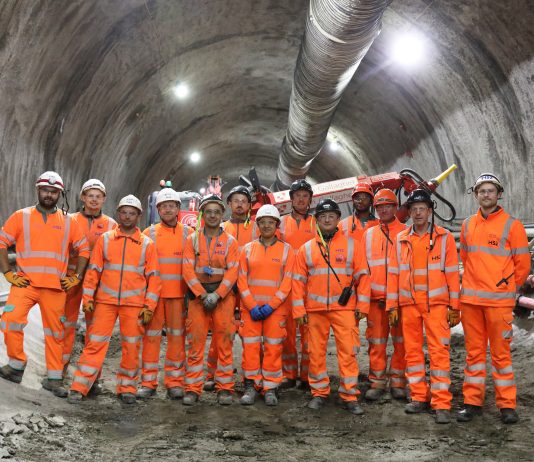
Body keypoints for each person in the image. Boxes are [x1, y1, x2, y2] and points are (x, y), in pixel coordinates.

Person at [0, 171, 89, 397]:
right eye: (45, 190)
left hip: (55, 288)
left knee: (55, 334)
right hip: (25, 284)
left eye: (53, 192)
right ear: (38, 190)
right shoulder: (21, 216)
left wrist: (76, 277)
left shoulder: (68, 222)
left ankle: (54, 379)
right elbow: (2, 242)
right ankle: (16, 365)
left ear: (60, 194)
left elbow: (84, 249)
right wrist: (8, 272)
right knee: (10, 321)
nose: (49, 195)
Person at [68, 195, 161, 404]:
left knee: (131, 347)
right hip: (105, 302)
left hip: (134, 305)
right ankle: (79, 387)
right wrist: (88, 297)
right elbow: (93, 271)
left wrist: (149, 306)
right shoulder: (106, 239)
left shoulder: (147, 244)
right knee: (94, 344)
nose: (127, 216)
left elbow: (154, 278)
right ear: (118, 214)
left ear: (138, 216)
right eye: (124, 212)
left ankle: (127, 388)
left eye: (132, 213)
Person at [457, 173, 530, 424]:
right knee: (474, 355)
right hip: (471, 303)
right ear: (475, 195)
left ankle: (507, 405)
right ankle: (472, 403)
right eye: (481, 191)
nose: (486, 195)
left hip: (499, 303)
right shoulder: (468, 225)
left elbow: (522, 265)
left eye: (490, 191)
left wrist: (506, 288)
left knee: (501, 356)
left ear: (499, 194)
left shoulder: (512, 226)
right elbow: (466, 258)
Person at [386, 189, 460, 424]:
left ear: (429, 212)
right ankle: (419, 396)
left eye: (422, 209)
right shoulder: (401, 239)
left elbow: (452, 274)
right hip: (409, 305)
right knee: (413, 353)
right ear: (409, 213)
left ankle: (441, 403)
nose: (418, 213)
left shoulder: (444, 238)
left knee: (439, 353)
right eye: (414, 209)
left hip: (436, 305)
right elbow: (393, 274)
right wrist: (392, 306)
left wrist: (454, 306)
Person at [292, 198, 370, 415]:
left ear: (338, 219)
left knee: (348, 352)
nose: (327, 220)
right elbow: (297, 282)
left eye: (331, 216)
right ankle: (319, 392)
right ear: (316, 220)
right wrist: (299, 310)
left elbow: (363, 276)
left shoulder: (353, 245)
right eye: (323, 216)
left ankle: (349, 395)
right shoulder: (306, 249)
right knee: (315, 353)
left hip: (344, 309)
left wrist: (363, 306)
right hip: (315, 310)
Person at [182, 194, 239, 405]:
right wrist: (201, 293)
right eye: (209, 212)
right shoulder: (192, 240)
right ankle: (192, 389)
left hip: (223, 298)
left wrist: (217, 294)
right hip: (198, 298)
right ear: (202, 214)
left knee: (224, 342)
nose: (213, 216)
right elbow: (187, 270)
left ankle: (224, 388)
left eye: (216, 212)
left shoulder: (230, 242)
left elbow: (233, 271)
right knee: (195, 343)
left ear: (222, 214)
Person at [136, 188, 193, 400]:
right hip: (154, 297)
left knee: (177, 339)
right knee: (151, 339)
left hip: (179, 296)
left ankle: (175, 382)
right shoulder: (148, 234)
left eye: (172, 206)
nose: (168, 210)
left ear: (178, 208)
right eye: (164, 206)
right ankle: (148, 383)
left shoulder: (189, 233)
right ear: (158, 210)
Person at [237, 204, 294, 406]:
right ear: (258, 225)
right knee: (250, 348)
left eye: (271, 222)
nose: (267, 225)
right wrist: (251, 305)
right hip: (250, 310)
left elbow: (287, 282)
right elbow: (241, 280)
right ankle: (251, 385)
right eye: (263, 222)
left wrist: (272, 305)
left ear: (277, 225)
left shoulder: (287, 251)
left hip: (275, 310)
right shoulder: (247, 250)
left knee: (273, 348)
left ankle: (270, 387)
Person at [62, 179, 116, 388]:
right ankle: (59, 371)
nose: (94, 200)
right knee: (65, 325)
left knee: (96, 330)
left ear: (104, 199)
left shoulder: (111, 225)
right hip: (71, 279)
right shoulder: (69, 220)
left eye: (98, 196)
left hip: (98, 282)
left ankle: (93, 378)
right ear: (82, 198)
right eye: (90, 195)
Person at [204, 185, 258, 392]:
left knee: (250, 336)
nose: (239, 204)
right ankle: (213, 374)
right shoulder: (220, 228)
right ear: (229, 204)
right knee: (221, 333)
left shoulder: (257, 227)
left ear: (249, 205)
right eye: (235, 201)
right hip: (225, 288)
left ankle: (251, 377)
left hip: (249, 289)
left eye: (243, 201)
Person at [361, 189, 407, 401]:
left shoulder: (406, 232)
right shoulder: (368, 234)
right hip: (375, 301)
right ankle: (377, 382)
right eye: (380, 207)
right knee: (376, 343)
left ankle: (398, 382)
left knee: (401, 342)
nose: (384, 210)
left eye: (388, 205)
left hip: (400, 300)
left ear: (395, 207)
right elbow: (363, 268)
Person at [278, 179, 316, 389]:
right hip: (287, 285)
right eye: (298, 196)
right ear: (291, 199)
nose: (301, 199)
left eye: (305, 196)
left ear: (310, 199)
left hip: (311, 286)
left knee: (310, 333)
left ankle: (307, 375)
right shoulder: (281, 223)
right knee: (287, 333)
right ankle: (289, 373)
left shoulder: (317, 223)